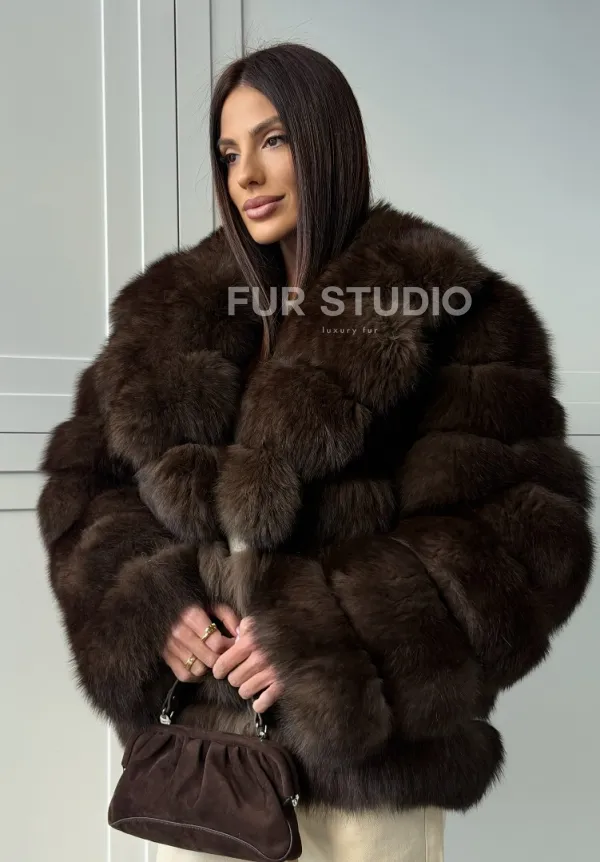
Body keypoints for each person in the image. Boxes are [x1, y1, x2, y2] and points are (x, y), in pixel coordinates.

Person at [37, 41, 594, 862]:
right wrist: (154, 604)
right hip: (208, 771)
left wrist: (324, 635)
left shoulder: (453, 312)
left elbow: (523, 543)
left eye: (273, 140)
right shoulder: (170, 316)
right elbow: (85, 490)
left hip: (361, 781)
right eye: (230, 153)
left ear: (328, 142)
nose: (248, 176)